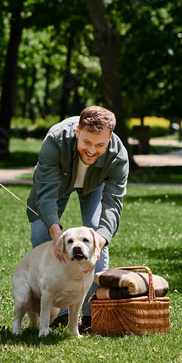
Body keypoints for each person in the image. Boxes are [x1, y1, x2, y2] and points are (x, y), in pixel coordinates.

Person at [26, 106, 129, 332]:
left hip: (95, 184)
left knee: (94, 237)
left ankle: (92, 315)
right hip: (57, 184)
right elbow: (45, 196)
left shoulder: (118, 155)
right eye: (87, 142)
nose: (92, 150)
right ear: (76, 131)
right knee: (42, 235)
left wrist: (102, 238)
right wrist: (56, 236)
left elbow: (112, 205)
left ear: (109, 138)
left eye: (100, 145)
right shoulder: (55, 140)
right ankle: (61, 314)